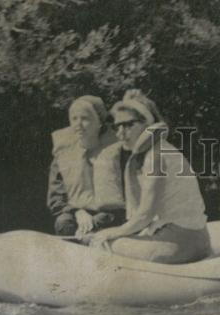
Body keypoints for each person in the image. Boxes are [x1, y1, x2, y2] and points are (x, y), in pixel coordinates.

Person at [83, 90, 211, 264]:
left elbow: (145, 214)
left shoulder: (155, 156)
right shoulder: (161, 148)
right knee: (106, 238)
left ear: (147, 123)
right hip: (196, 239)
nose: (120, 133)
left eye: (128, 125)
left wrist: (110, 233)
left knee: (102, 242)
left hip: (181, 244)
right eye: (117, 126)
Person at [46, 96, 126, 239]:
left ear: (100, 122)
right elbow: (56, 197)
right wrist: (77, 212)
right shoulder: (62, 154)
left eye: (85, 118)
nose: (78, 124)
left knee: (99, 222)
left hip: (112, 214)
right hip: (75, 213)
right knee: (64, 223)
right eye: (74, 118)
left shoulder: (119, 149)